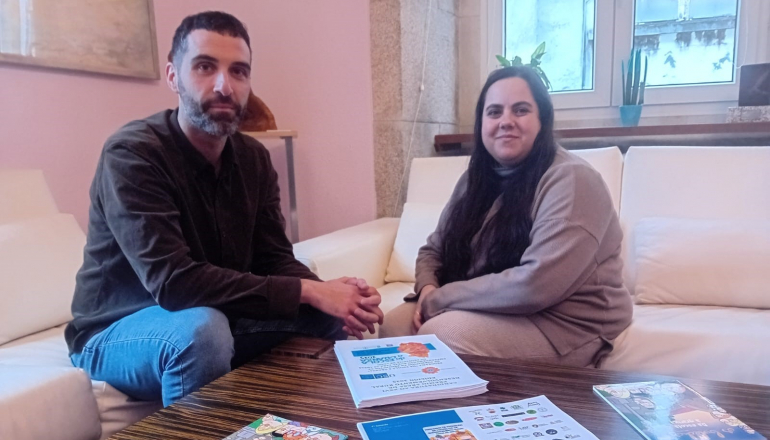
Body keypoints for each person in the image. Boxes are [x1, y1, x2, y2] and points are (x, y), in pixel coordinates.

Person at [65, 11, 383, 406]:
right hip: (117, 330)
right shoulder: (133, 154)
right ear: (173, 76)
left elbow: (273, 258)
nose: (224, 86)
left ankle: (296, 425)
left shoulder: (253, 158)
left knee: (323, 315)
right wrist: (308, 290)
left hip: (212, 313)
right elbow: (174, 283)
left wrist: (334, 296)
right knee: (202, 331)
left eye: (238, 71)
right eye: (205, 67)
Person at [379, 66, 632, 367]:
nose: (506, 121)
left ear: (542, 120)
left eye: (521, 110)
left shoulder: (572, 179)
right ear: (481, 123)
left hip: (564, 321)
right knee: (394, 327)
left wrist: (442, 298)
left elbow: (536, 286)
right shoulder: (475, 179)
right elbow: (433, 250)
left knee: (442, 336)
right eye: (494, 112)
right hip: (492, 307)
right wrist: (428, 288)